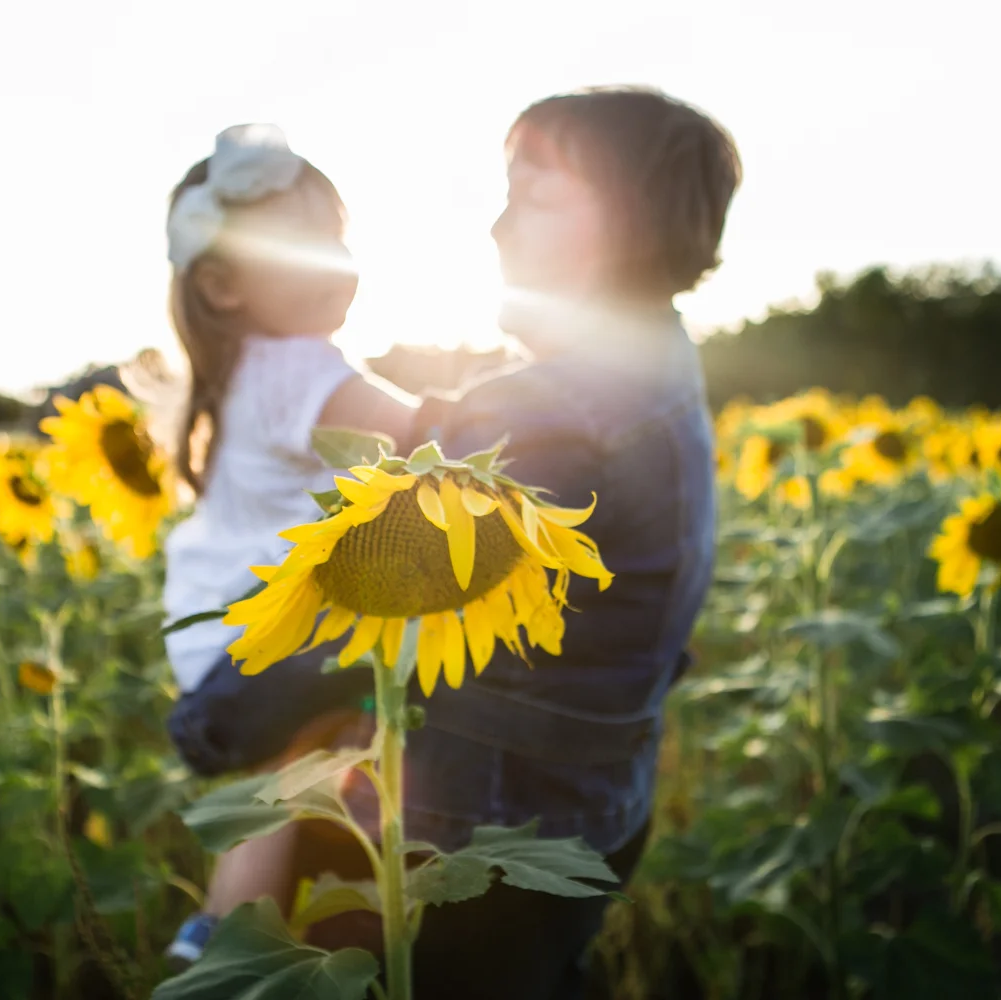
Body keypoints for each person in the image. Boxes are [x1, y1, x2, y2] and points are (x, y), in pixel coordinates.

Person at [384, 84, 742, 999]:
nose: (498, 228)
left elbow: (394, 597)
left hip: (491, 826)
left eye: (535, 196)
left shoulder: (550, 409)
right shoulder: (658, 363)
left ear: (627, 222)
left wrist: (226, 718)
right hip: (597, 806)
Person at [156, 124, 415, 964]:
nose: (336, 261)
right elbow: (417, 438)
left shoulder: (247, 375)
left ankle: (228, 932)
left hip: (224, 654)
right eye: (303, 244)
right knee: (299, 763)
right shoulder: (295, 370)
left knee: (299, 763)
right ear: (224, 284)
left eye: (337, 239)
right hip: (261, 649)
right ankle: (231, 942)